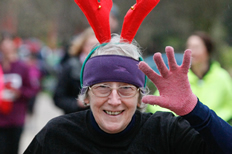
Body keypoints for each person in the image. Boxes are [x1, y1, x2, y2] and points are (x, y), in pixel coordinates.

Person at [24, 0, 232, 153]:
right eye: (102, 87)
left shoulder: (165, 131)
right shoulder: (57, 135)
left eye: (126, 88)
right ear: (86, 96)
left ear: (140, 96)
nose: (114, 100)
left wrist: (194, 109)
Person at [146, 31, 232, 124]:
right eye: (189, 46)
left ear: (207, 50)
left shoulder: (222, 77)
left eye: (196, 47)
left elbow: (229, 106)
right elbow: (158, 104)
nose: (191, 52)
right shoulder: (176, 77)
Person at [0, 38, 34, 154]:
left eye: (9, 46)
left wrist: (19, 92)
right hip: (1, 118)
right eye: (4, 46)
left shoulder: (22, 67)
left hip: (16, 117)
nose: (7, 49)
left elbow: (31, 90)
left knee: (13, 149)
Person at [53, 27, 98, 114]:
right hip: (74, 118)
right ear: (83, 46)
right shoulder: (70, 67)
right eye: (91, 45)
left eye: (97, 45)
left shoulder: (107, 69)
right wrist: (76, 104)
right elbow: (58, 98)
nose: (94, 49)